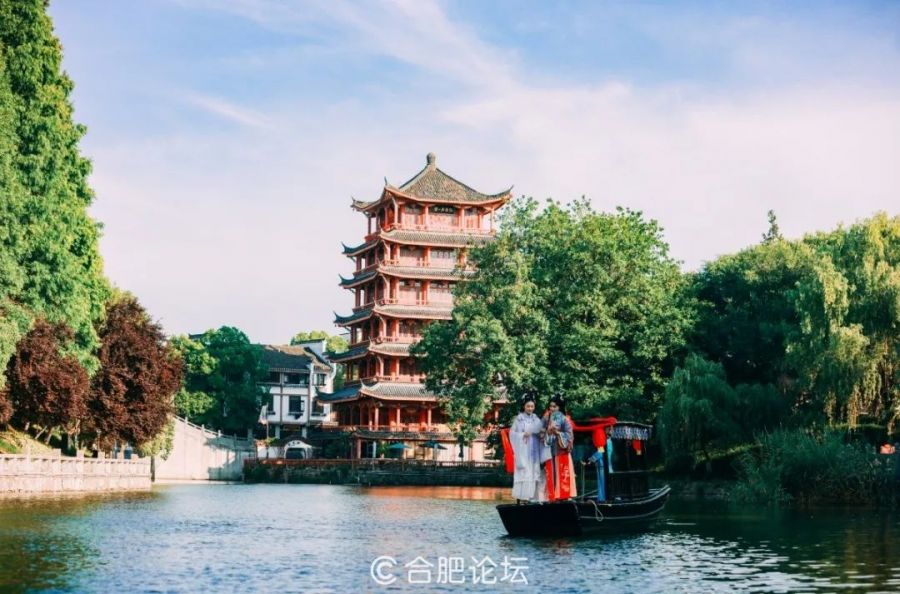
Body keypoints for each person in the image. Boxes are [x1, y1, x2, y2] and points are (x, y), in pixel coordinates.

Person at [509, 396, 548, 503]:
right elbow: (512, 434)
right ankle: (523, 498)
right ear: (524, 406)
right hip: (523, 450)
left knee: (534, 472)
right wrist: (522, 434)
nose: (530, 408)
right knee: (524, 472)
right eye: (528, 406)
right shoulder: (519, 419)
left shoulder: (536, 419)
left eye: (532, 406)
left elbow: (541, 433)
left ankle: (533, 498)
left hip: (534, 451)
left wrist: (541, 434)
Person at [542, 395, 577, 501]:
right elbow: (540, 431)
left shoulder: (565, 419)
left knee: (562, 474)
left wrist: (558, 433)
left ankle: (564, 496)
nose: (552, 409)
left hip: (561, 451)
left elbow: (569, 435)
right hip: (550, 451)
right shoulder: (547, 418)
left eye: (555, 406)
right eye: (550, 406)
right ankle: (552, 497)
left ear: (560, 407)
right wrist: (546, 432)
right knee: (551, 474)